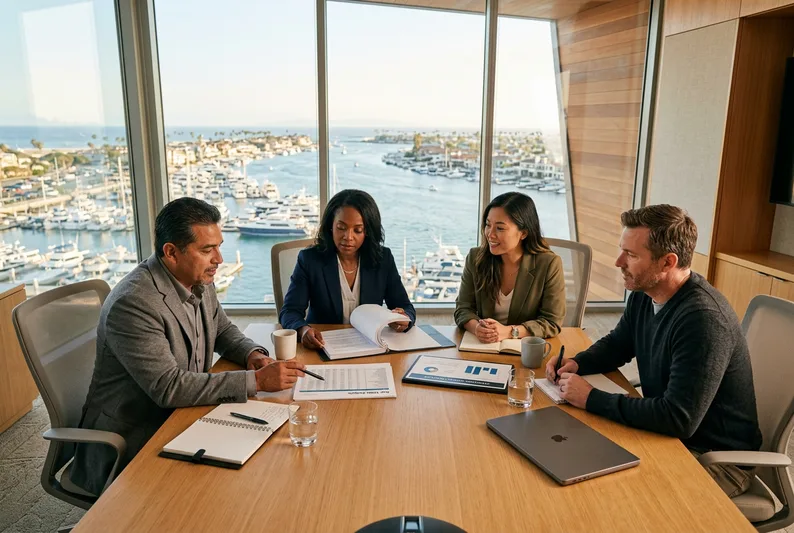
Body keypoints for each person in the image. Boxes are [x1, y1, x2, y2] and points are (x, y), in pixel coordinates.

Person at [70, 198, 305, 495]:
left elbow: (221, 328)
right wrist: (255, 382)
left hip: (185, 416)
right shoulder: (134, 303)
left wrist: (252, 354)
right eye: (207, 249)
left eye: (219, 246)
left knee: (269, 466)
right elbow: (168, 387)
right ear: (171, 252)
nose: (219, 259)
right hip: (137, 437)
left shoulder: (197, 278)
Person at [546, 204, 762, 497]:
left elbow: (678, 418)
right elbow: (619, 344)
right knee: (573, 457)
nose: (618, 261)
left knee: (611, 494)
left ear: (667, 262)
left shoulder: (704, 320)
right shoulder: (645, 292)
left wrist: (591, 398)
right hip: (668, 438)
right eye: (622, 250)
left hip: (713, 458)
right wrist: (577, 363)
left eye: (631, 255)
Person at [280, 189, 416, 350]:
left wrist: (403, 320)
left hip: (370, 348)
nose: (348, 237)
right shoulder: (310, 260)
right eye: (341, 227)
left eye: (357, 230)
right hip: (323, 347)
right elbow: (289, 311)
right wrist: (303, 331)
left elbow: (406, 308)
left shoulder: (383, 259)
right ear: (331, 226)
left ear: (368, 232)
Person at [454, 191, 565, 341]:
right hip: (483, 347)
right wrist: (477, 328)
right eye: (488, 225)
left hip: (525, 349)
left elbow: (552, 321)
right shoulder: (475, 258)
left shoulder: (548, 264)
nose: (490, 234)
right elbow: (463, 308)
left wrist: (510, 332)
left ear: (523, 233)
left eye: (500, 228)